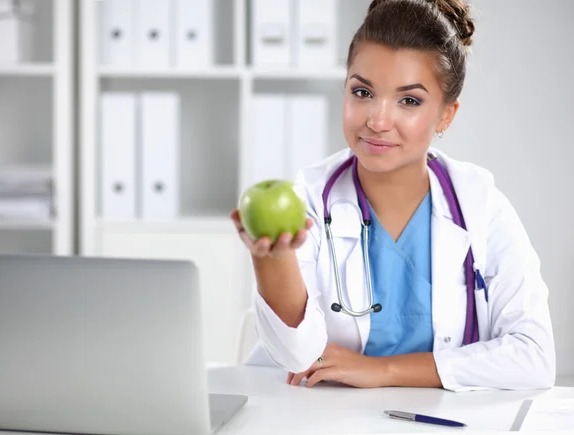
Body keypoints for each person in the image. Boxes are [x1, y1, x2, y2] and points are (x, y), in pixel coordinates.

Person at [230, 0, 556, 392]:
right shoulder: (310, 200)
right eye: (362, 91)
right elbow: (298, 355)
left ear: (446, 116)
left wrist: (382, 371)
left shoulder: (480, 206)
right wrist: (272, 259)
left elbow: (534, 358)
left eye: (409, 100)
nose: (377, 120)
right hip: (319, 419)